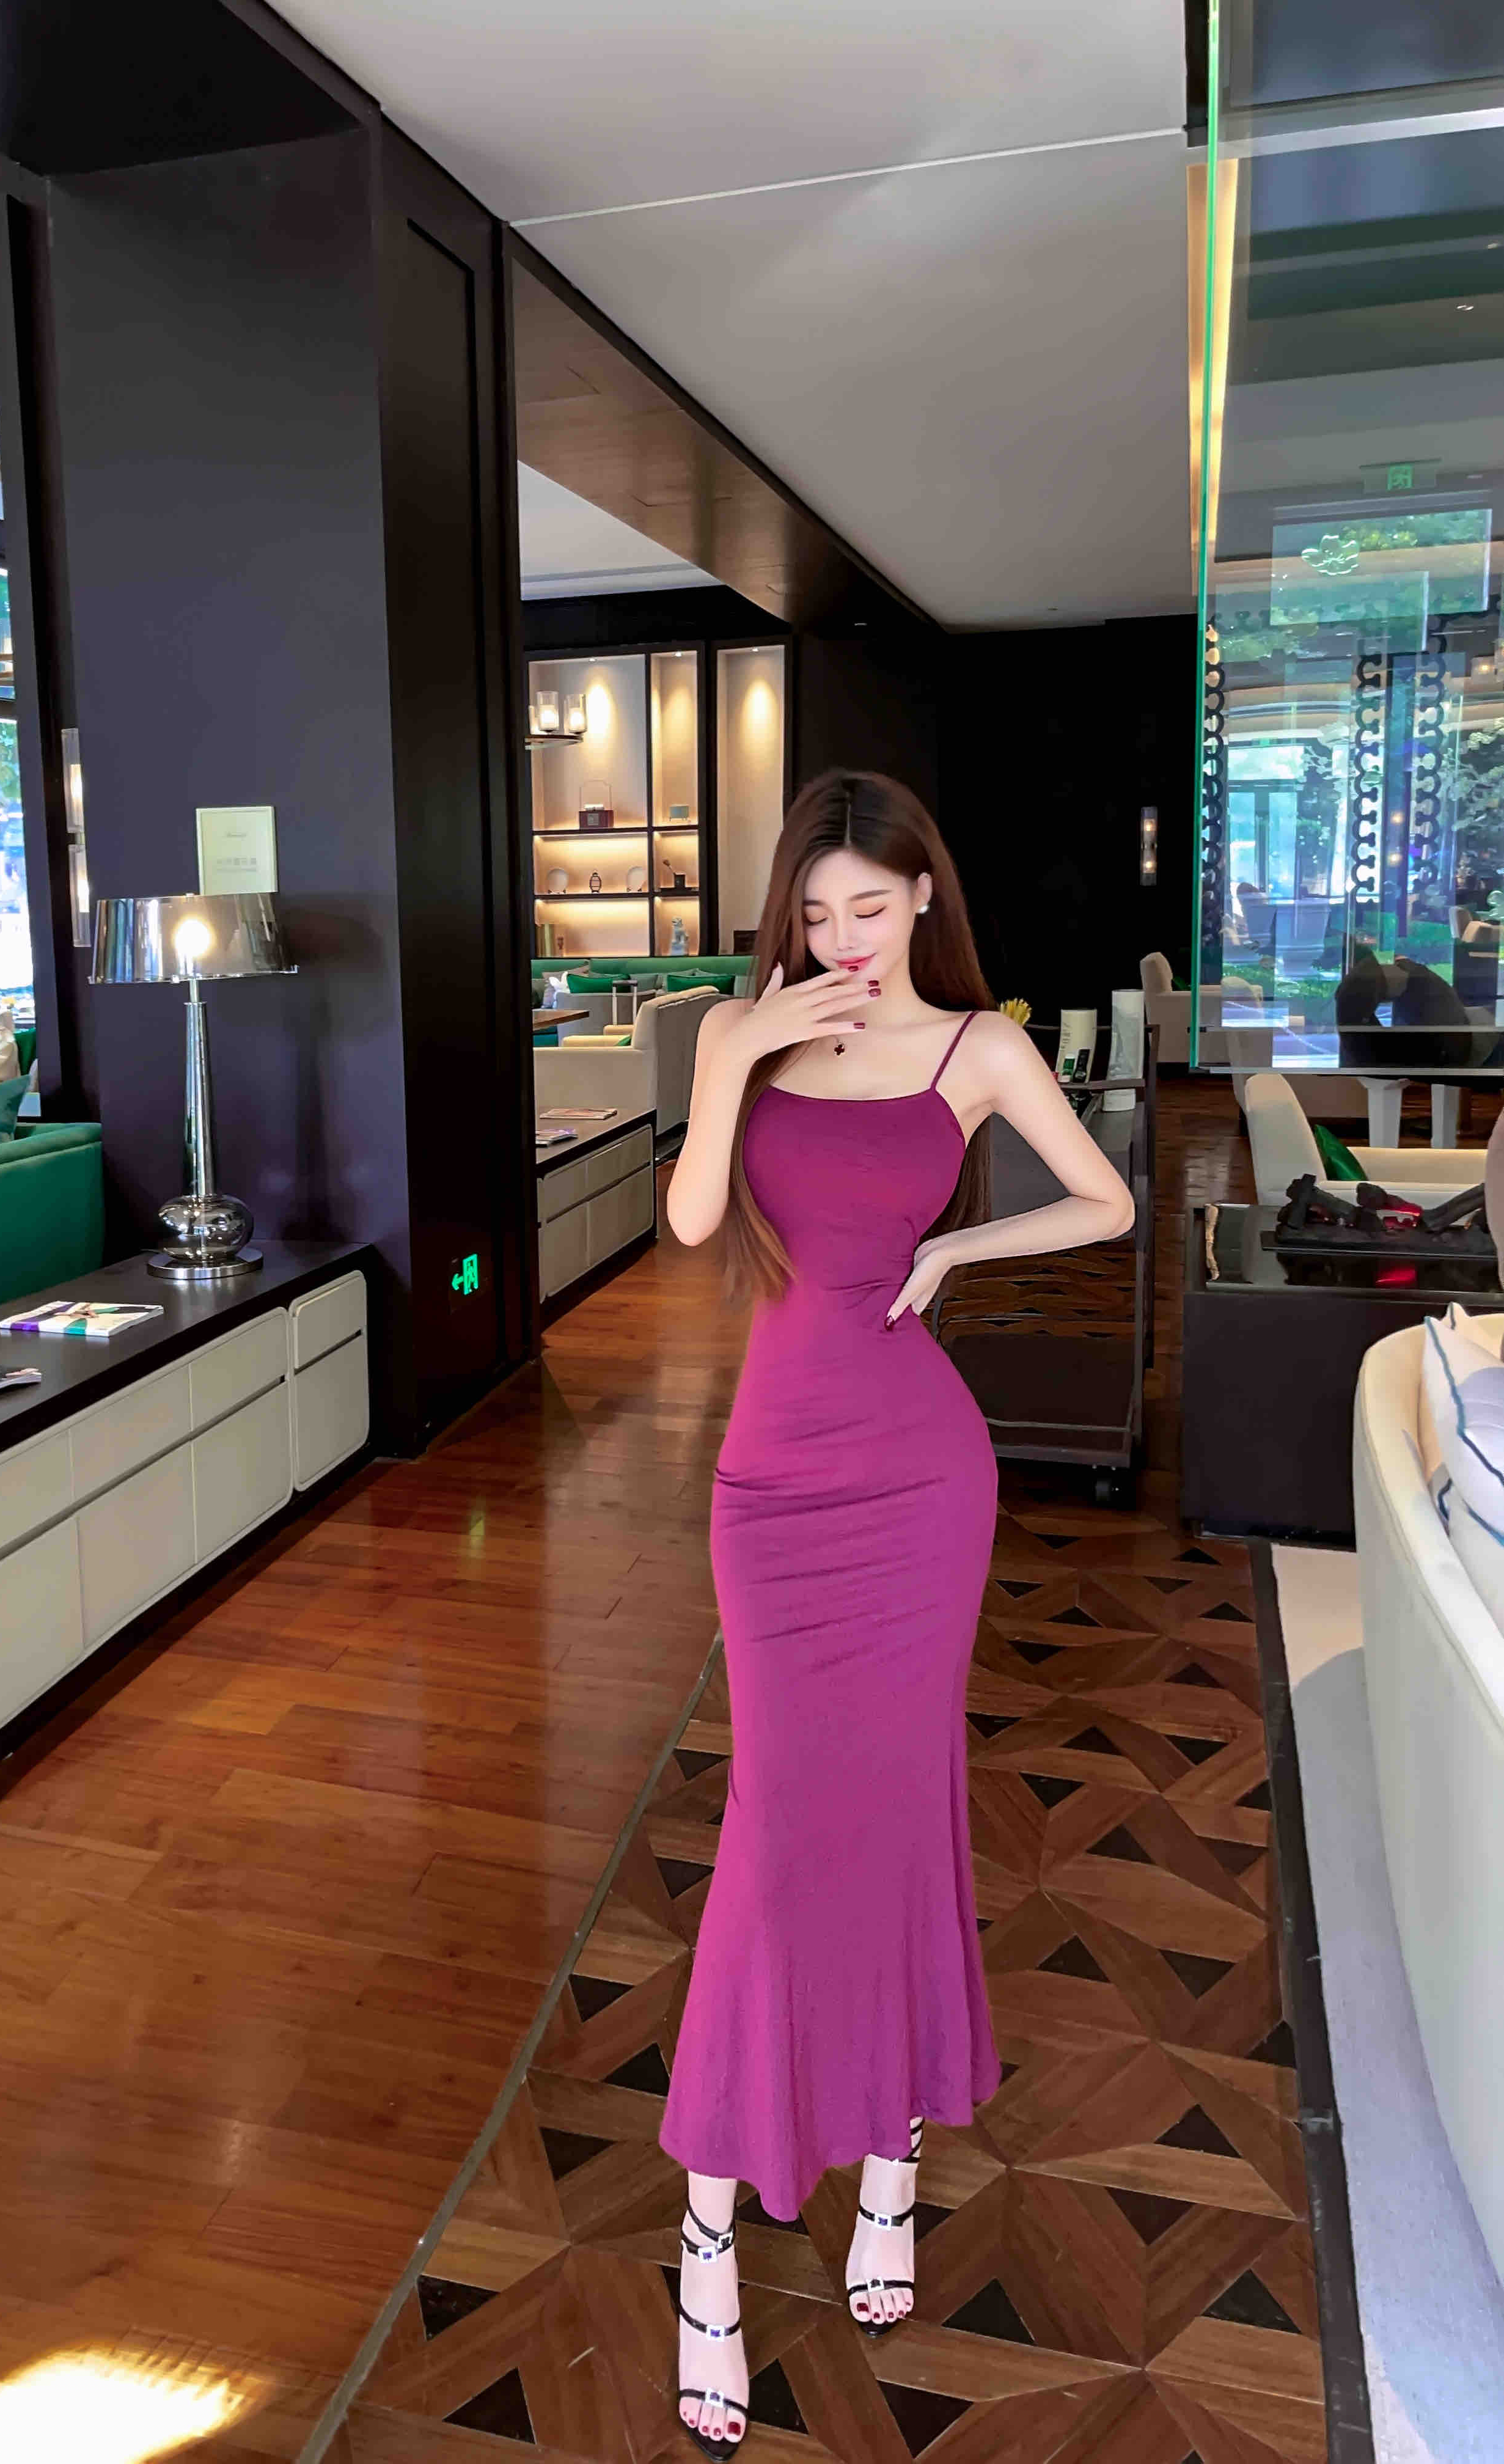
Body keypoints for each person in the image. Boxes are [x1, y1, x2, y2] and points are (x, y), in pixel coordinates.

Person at [659, 771, 1135, 2454]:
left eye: (867, 906)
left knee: (901, 1813)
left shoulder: (978, 1049)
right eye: (814, 912)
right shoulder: (752, 1034)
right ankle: (705, 2238)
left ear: (922, 896)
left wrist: (956, 1256)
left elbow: (1107, 1202)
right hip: (771, 1482)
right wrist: (729, 1053)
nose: (841, 937)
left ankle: (887, 2161)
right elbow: (693, 1220)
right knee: (775, 1833)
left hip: (920, 1479)